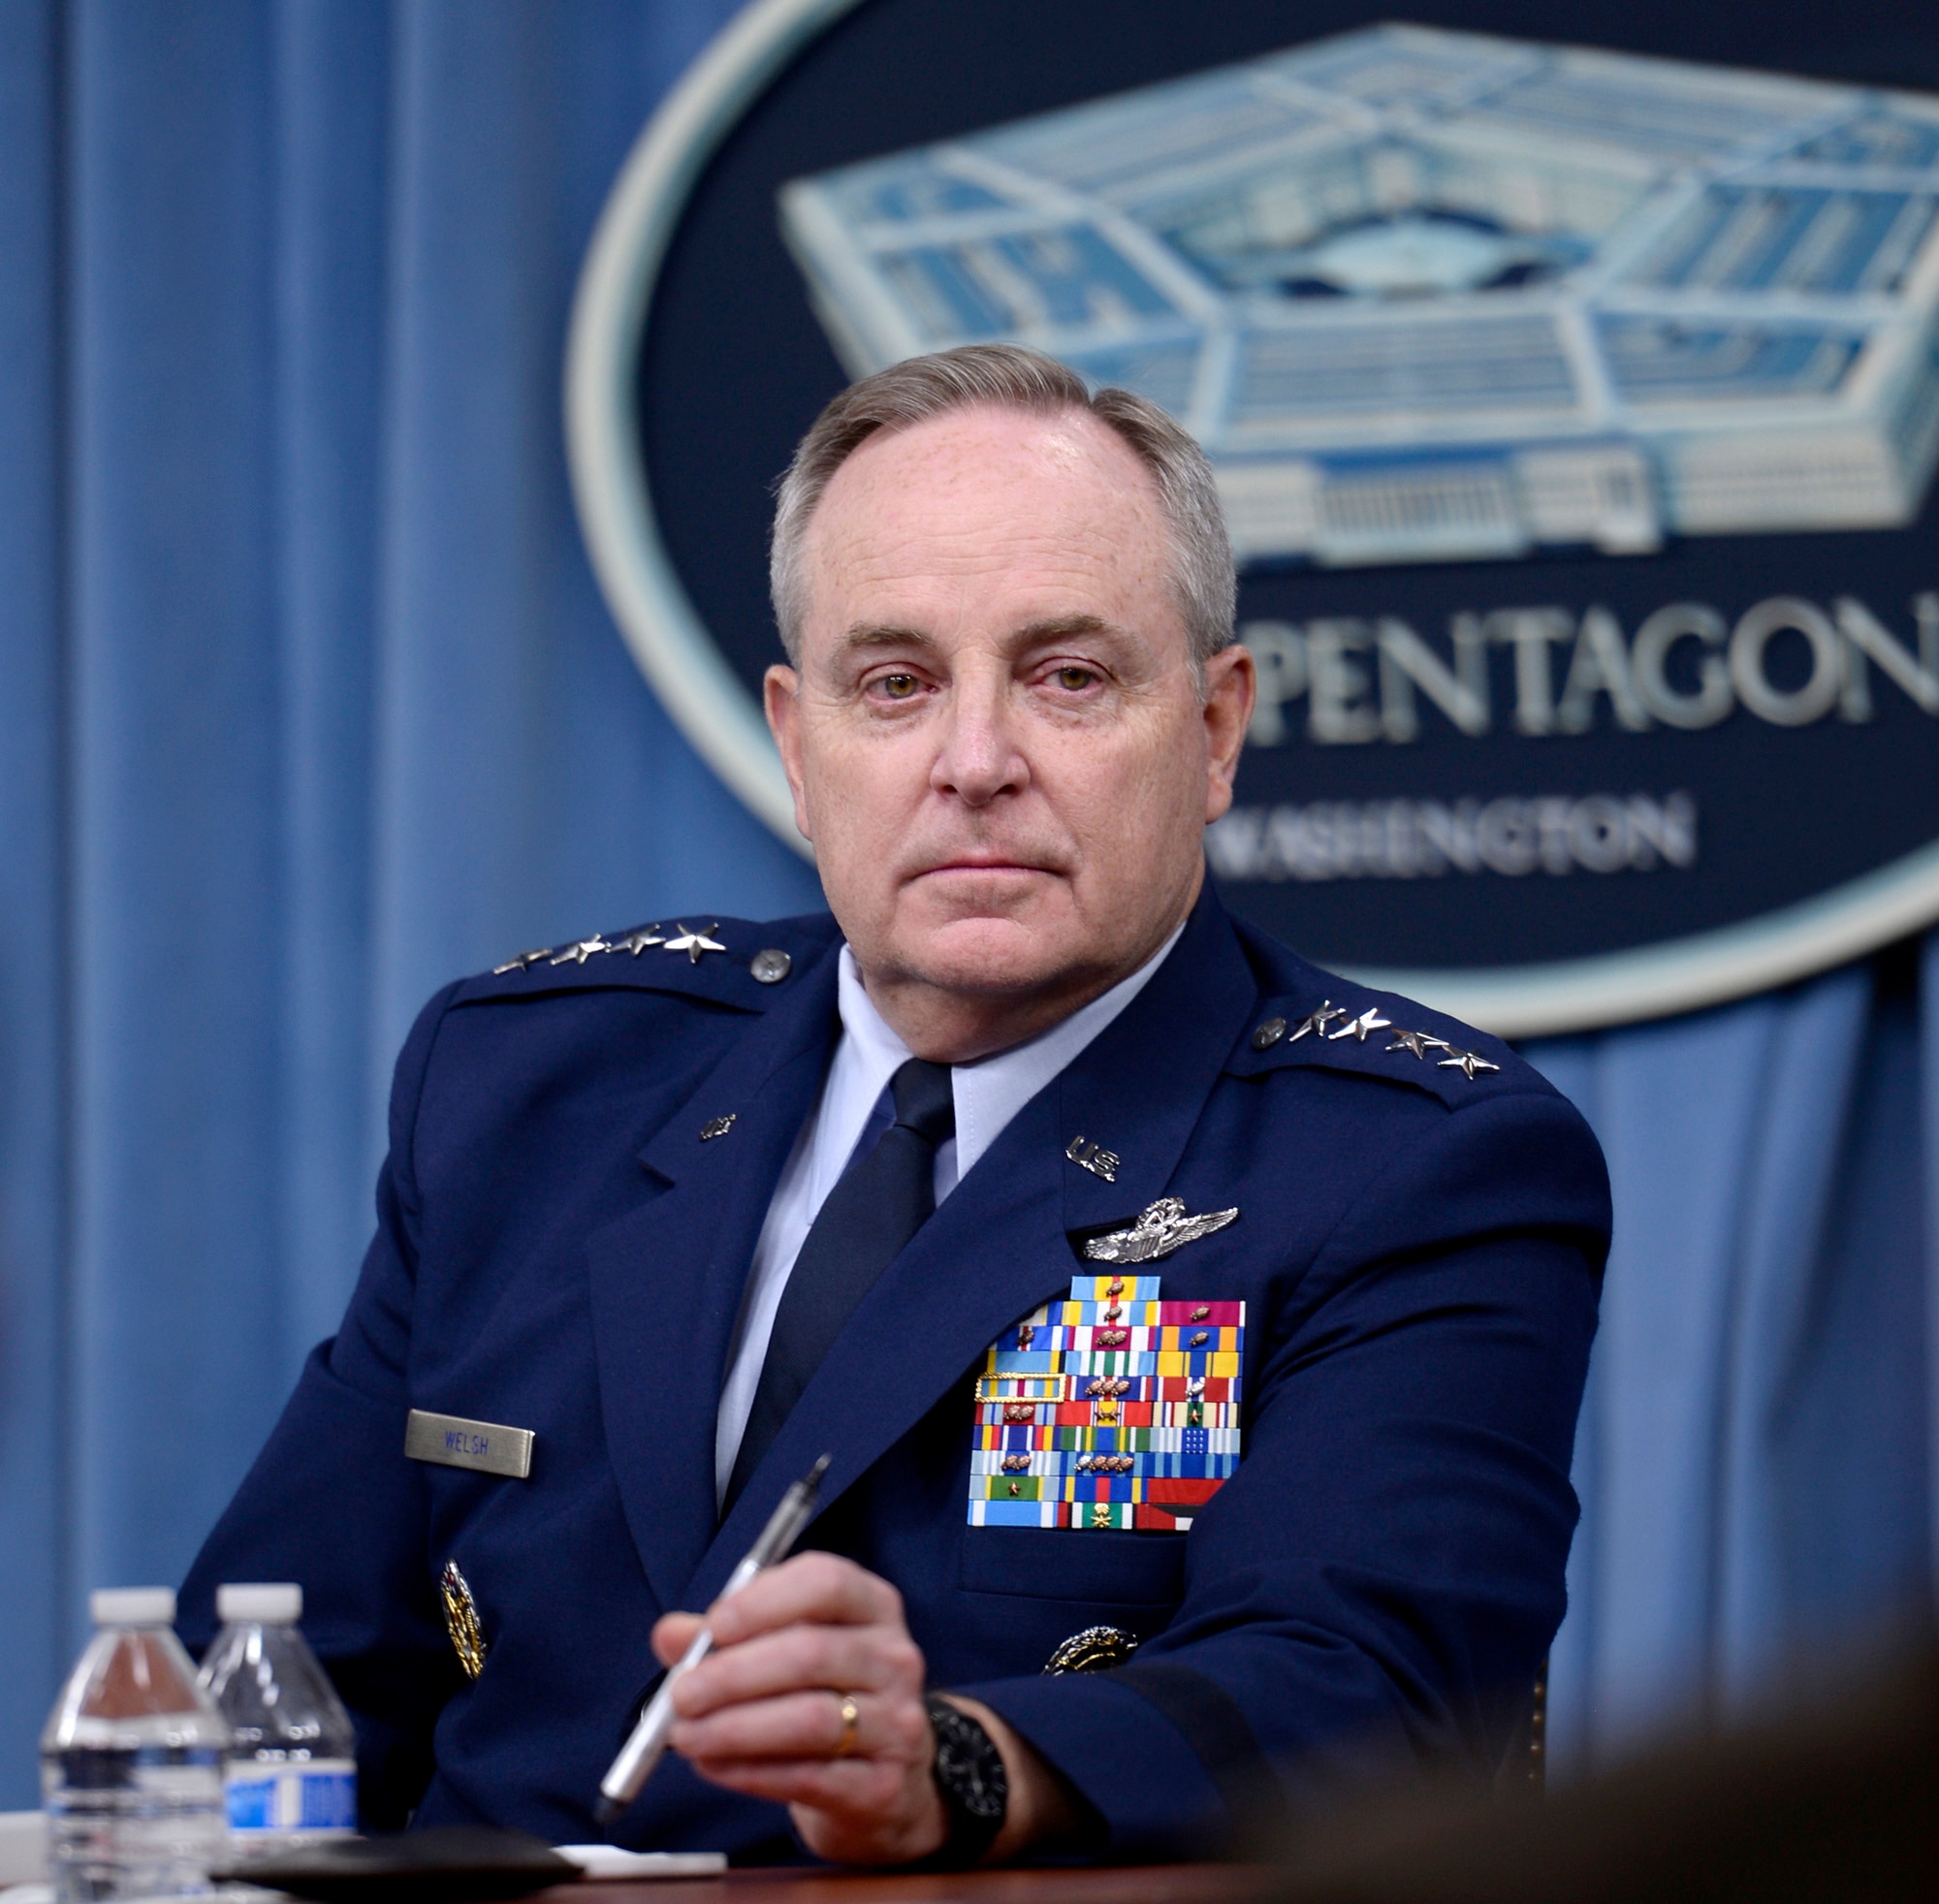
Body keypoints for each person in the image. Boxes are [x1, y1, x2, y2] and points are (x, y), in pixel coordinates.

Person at [179, 344, 1608, 1867]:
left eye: (1068, 677)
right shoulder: (532, 1084)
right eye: (896, 685)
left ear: (1213, 729)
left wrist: (956, 1767)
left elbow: (1367, 1696)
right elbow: (272, 1675)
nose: (975, 763)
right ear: (799, 745)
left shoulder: (1416, 1160)